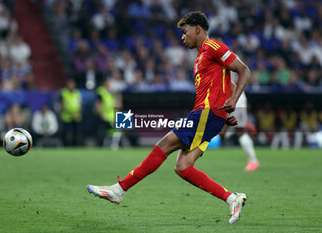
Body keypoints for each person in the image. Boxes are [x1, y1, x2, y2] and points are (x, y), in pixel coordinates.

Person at [87, 11, 250, 224]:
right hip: (210, 115)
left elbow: (243, 70)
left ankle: (119, 189)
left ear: (198, 29)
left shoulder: (213, 46)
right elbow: (230, 84)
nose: (183, 37)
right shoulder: (201, 57)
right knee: (183, 167)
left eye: (185, 32)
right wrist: (225, 109)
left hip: (206, 113)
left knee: (163, 145)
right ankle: (232, 198)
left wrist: (232, 103)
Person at [223, 72, 260, 171]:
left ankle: (253, 161)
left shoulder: (227, 59)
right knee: (231, 129)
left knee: (240, 131)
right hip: (230, 95)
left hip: (235, 95)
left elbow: (241, 74)